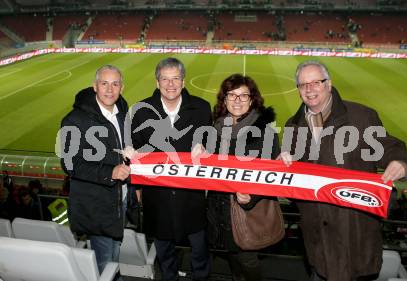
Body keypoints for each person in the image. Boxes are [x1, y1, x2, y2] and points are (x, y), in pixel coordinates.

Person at [280, 60, 407, 281]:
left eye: (316, 82)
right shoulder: (293, 126)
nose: (309, 89)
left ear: (329, 84)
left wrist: (400, 162)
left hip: (355, 233)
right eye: (303, 84)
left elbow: (392, 147)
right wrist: (283, 169)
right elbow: (293, 184)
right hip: (317, 239)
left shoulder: (361, 117)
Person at [131, 57, 211, 281]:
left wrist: (206, 149)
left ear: (183, 82)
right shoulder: (141, 112)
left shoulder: (202, 109)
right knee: (165, 255)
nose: (170, 84)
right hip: (157, 197)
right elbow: (135, 152)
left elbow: (212, 147)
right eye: (165, 79)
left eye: (175, 78)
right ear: (157, 83)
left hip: (193, 196)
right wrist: (137, 187)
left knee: (200, 251)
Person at [197, 74, 280, 281]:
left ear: (252, 100)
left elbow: (272, 175)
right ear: (224, 100)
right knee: (233, 259)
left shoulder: (264, 132)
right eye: (231, 95)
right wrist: (199, 154)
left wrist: (251, 196)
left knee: (247, 260)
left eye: (243, 96)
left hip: (246, 212)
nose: (237, 100)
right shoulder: (215, 129)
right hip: (218, 209)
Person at [60, 65, 138, 280]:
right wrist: (110, 172)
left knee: (114, 253)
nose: (110, 89)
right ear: (95, 86)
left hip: (119, 199)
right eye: (104, 83)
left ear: (122, 87)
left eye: (115, 84)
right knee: (105, 260)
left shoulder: (122, 111)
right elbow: (70, 164)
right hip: (96, 204)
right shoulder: (74, 120)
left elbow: (122, 145)